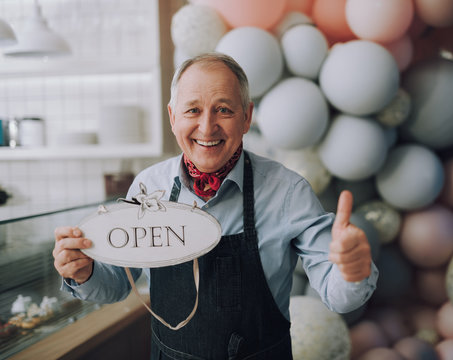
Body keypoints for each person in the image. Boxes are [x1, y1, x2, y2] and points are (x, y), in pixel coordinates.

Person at [53, 53, 378, 359]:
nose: (207, 128)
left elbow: (339, 296)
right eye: (192, 110)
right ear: (172, 116)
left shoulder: (287, 192)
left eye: (224, 109)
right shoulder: (149, 187)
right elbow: (115, 285)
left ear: (247, 116)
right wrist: (84, 273)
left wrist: (353, 271)